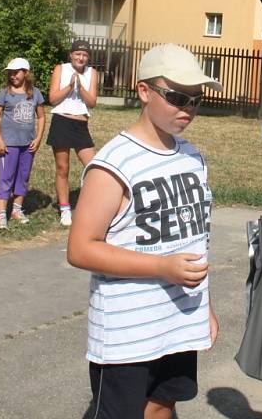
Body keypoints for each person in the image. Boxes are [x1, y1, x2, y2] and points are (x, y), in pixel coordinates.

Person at [67, 43, 221, 419]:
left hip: (178, 319)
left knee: (162, 404)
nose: (188, 108)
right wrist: (161, 268)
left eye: (197, 100)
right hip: (128, 329)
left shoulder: (191, 156)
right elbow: (81, 249)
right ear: (144, 91)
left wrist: (206, 306)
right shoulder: (114, 163)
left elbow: (194, 239)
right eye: (177, 97)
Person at [47, 39, 98, 226]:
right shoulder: (61, 69)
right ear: (71, 55)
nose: (81, 58)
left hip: (80, 124)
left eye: (84, 55)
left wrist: (80, 87)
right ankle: (65, 208)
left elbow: (92, 102)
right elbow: (52, 98)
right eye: (77, 54)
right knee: (63, 168)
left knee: (94, 167)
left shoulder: (92, 73)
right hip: (61, 120)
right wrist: (69, 86)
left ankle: (91, 205)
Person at [0, 58, 45, 229]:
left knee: (23, 176)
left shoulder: (35, 93)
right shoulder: (5, 93)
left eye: (16, 72)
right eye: (10, 73)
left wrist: (38, 138)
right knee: (6, 177)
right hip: (8, 144)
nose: (12, 76)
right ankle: (1, 214)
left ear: (26, 73)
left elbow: (42, 116)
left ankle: (16, 209)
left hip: (28, 144)